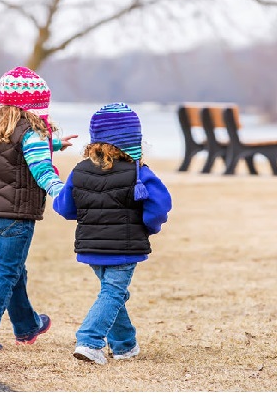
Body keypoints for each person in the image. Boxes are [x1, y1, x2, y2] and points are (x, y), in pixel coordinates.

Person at [0, 66, 77, 351]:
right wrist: (61, 192)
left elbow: (13, 150)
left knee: (13, 270)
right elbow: (40, 167)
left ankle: (27, 326)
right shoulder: (32, 133)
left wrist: (53, 144)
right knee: (5, 271)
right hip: (15, 217)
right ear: (34, 107)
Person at [53, 102, 172, 365]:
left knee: (113, 292)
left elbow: (64, 207)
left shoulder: (80, 171)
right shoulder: (139, 173)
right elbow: (159, 208)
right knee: (114, 292)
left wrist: (87, 213)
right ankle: (89, 341)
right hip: (124, 247)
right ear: (134, 141)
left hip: (89, 246)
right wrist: (150, 227)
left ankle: (125, 345)